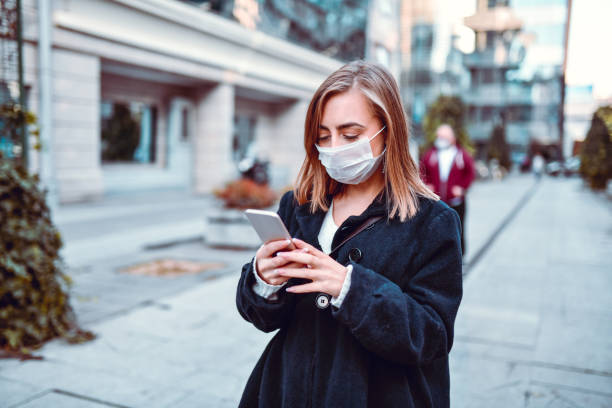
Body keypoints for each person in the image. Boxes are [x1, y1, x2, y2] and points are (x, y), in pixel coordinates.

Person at [236, 61, 463, 408]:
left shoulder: (432, 221)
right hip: (287, 390)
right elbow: (266, 319)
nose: (335, 147)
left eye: (351, 134)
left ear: (388, 131)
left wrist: (351, 289)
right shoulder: (299, 205)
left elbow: (432, 336)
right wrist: (263, 280)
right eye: (324, 136)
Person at [420, 124, 475, 255]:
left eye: (444, 136)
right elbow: (422, 171)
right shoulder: (430, 155)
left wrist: (462, 188)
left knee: (458, 229)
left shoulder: (461, 154)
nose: (440, 139)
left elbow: (470, 172)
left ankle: (461, 258)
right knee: (435, 230)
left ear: (452, 138)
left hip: (456, 201)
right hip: (436, 201)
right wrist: (427, 185)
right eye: (439, 136)